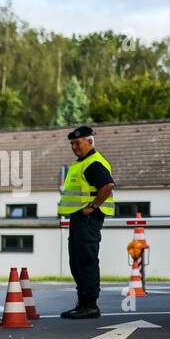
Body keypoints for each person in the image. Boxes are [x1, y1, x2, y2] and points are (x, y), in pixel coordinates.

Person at [58, 125, 115, 319]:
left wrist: (93, 206)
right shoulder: (80, 163)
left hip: (88, 219)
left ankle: (90, 305)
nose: (74, 147)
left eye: (77, 142)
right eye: (72, 144)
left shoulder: (93, 162)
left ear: (90, 141)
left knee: (86, 260)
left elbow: (107, 185)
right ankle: (83, 303)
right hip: (80, 218)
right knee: (77, 261)